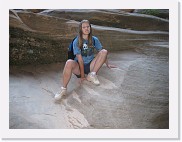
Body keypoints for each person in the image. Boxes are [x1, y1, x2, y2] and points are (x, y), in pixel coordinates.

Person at [55, 19, 117, 101]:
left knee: (104, 51)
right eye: (84, 27)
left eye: (88, 26)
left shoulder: (94, 39)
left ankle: (92, 75)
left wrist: (107, 64)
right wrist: (82, 76)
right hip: (79, 68)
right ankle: (63, 89)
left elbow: (102, 53)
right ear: (80, 29)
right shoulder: (77, 41)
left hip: (91, 65)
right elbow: (80, 60)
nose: (86, 28)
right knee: (69, 62)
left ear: (90, 28)